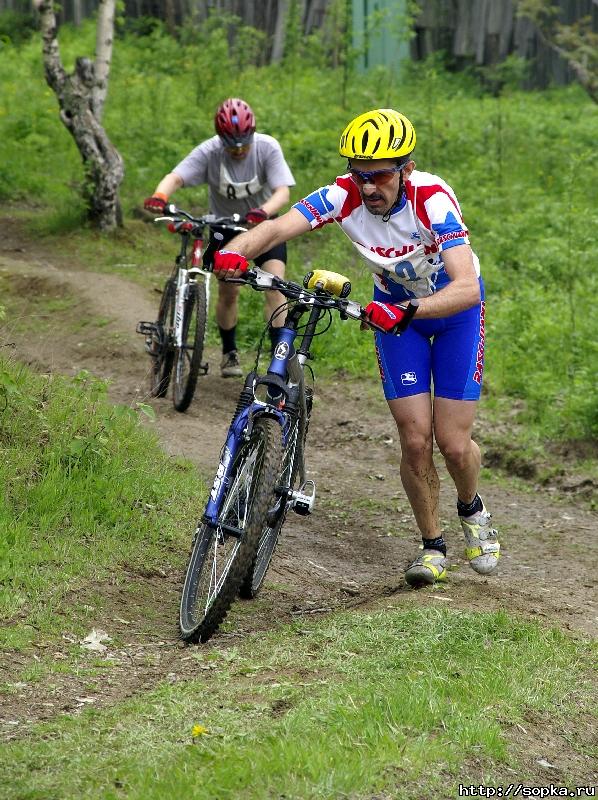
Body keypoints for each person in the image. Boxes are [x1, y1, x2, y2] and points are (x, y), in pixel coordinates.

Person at [211, 108, 500, 587]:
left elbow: (468, 286)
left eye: (380, 175)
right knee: (414, 439)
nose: (368, 187)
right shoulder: (343, 195)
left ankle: (471, 507)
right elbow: (281, 227)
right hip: (397, 315)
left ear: (406, 169)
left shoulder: (431, 198)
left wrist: (408, 310)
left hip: (453, 313)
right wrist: (234, 252)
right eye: (359, 173)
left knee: (452, 442)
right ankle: (432, 547)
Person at [144, 97, 296, 378]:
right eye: (231, 144)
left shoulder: (267, 147)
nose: (238, 150)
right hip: (224, 229)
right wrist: (160, 195)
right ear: (220, 138)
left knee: (275, 288)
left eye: (243, 143)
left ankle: (278, 366)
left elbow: (282, 192)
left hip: (263, 227)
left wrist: (263, 211)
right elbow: (175, 176)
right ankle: (229, 352)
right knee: (229, 292)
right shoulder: (210, 151)